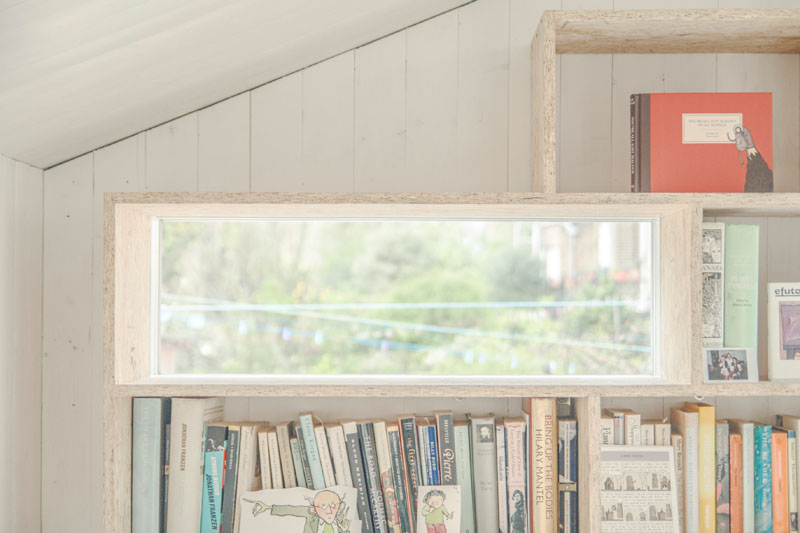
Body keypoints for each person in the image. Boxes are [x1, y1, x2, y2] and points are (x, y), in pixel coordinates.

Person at [244, 489, 351, 533]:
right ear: (314, 509)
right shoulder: (311, 515)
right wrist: (268, 507)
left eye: (332, 506)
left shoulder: (341, 519)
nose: (328, 511)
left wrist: (346, 531)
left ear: (340, 507)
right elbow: (291, 510)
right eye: (323, 507)